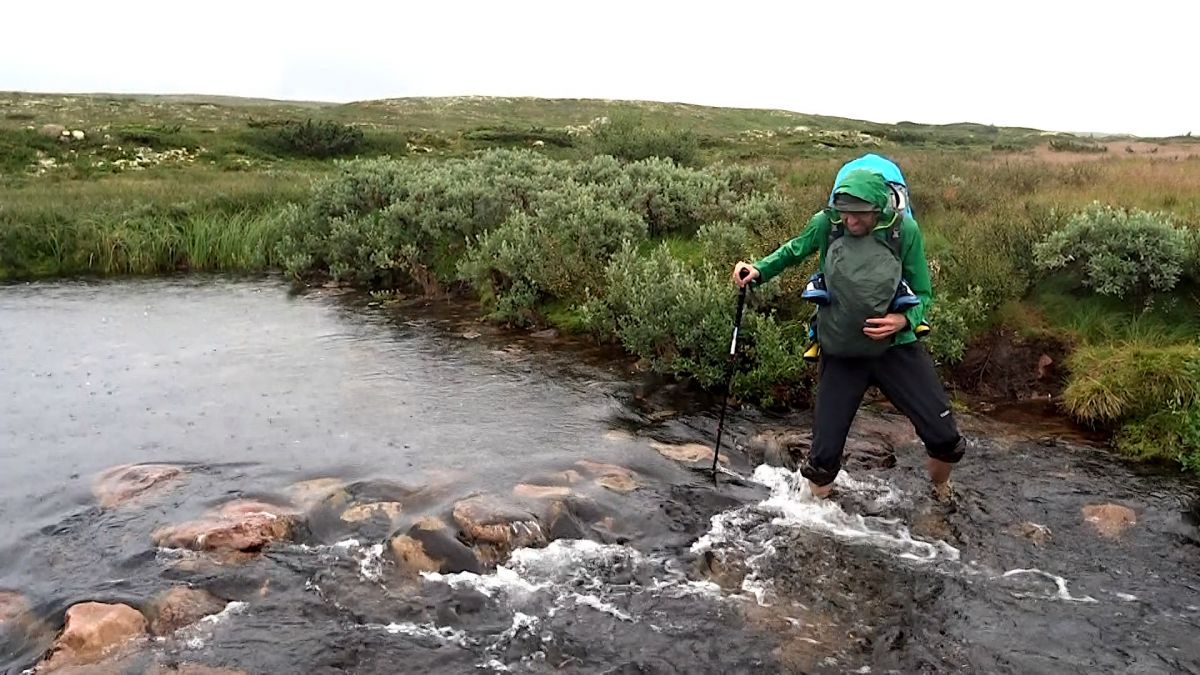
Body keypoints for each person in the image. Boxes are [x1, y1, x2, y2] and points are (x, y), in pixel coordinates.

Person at [731, 167, 965, 502]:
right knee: (823, 461)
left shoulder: (904, 231)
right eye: (845, 213)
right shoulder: (828, 223)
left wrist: (902, 319)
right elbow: (795, 249)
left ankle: (940, 494)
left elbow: (924, 293)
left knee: (945, 439)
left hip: (896, 349)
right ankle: (813, 524)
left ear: (879, 209)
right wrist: (758, 270)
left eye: (859, 215)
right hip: (841, 350)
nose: (850, 221)